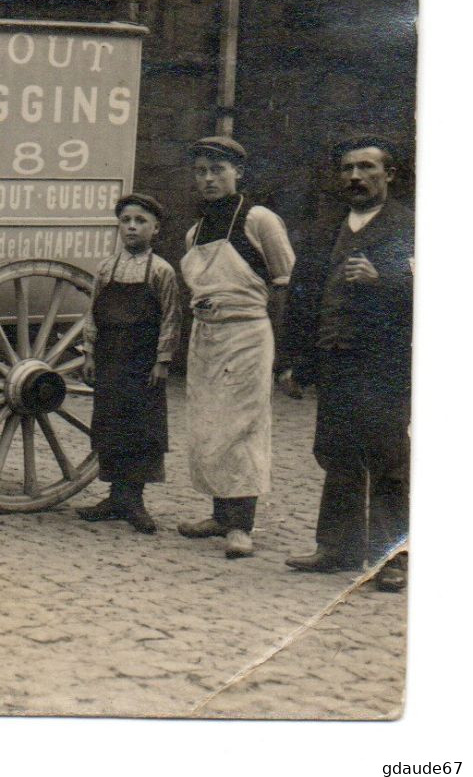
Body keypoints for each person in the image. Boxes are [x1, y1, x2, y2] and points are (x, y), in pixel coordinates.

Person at [281, 138, 412, 592]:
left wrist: (388, 280)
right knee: (337, 453)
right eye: (348, 169)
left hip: (388, 364)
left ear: (389, 175)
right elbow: (301, 297)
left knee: (388, 458)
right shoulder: (326, 230)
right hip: (336, 359)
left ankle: (392, 556)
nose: (355, 177)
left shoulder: (411, 227)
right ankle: (336, 547)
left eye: (366, 168)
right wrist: (296, 361)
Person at [175, 136, 295, 559]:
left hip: (247, 335)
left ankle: (242, 526)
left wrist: (283, 354)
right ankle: (219, 514)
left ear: (238, 173)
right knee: (209, 424)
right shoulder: (195, 232)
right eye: (201, 172)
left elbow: (284, 283)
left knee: (241, 426)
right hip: (207, 335)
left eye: (217, 171)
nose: (208, 179)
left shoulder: (259, 219)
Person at [77, 193, 182, 533]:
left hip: (142, 362)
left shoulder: (162, 271)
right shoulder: (107, 268)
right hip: (110, 357)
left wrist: (162, 360)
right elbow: (92, 312)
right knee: (110, 426)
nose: (132, 227)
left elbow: (170, 318)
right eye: (126, 221)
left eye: (141, 222)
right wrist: (90, 353)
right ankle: (114, 498)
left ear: (155, 229)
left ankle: (133, 499)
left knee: (141, 429)